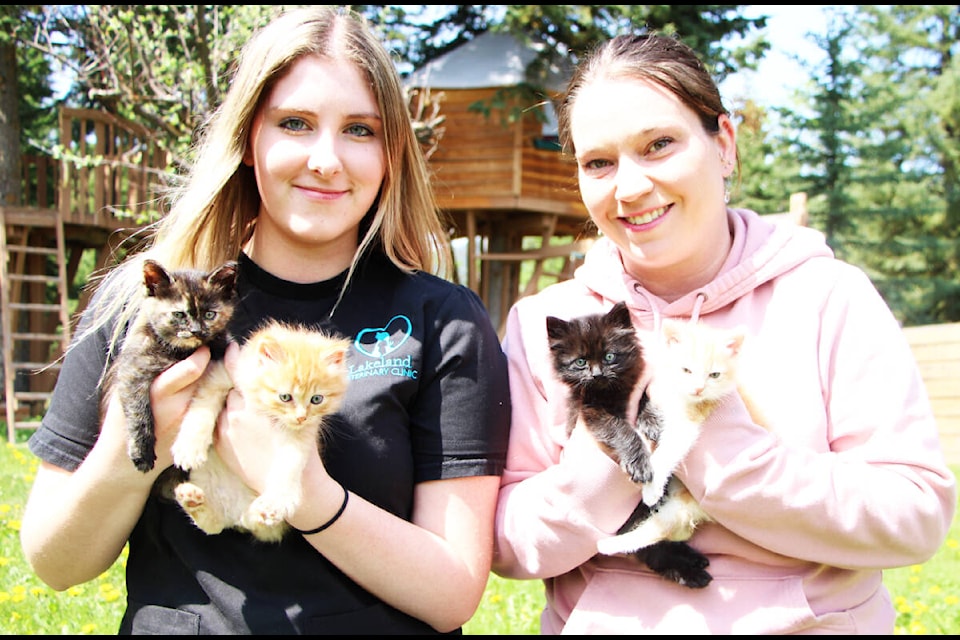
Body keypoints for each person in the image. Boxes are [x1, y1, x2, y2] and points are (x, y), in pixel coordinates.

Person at [20, 6, 511, 635]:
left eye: (360, 130)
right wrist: (134, 442)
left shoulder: (442, 321)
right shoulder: (145, 304)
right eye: (296, 123)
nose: (327, 160)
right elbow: (55, 563)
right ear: (250, 139)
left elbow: (453, 594)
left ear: (392, 153)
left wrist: (305, 493)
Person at [491, 32, 957, 634]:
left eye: (659, 144)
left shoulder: (827, 297)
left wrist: (725, 452)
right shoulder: (548, 323)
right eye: (598, 162)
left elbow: (916, 514)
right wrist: (608, 461)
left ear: (724, 144)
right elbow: (504, 541)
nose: (628, 187)